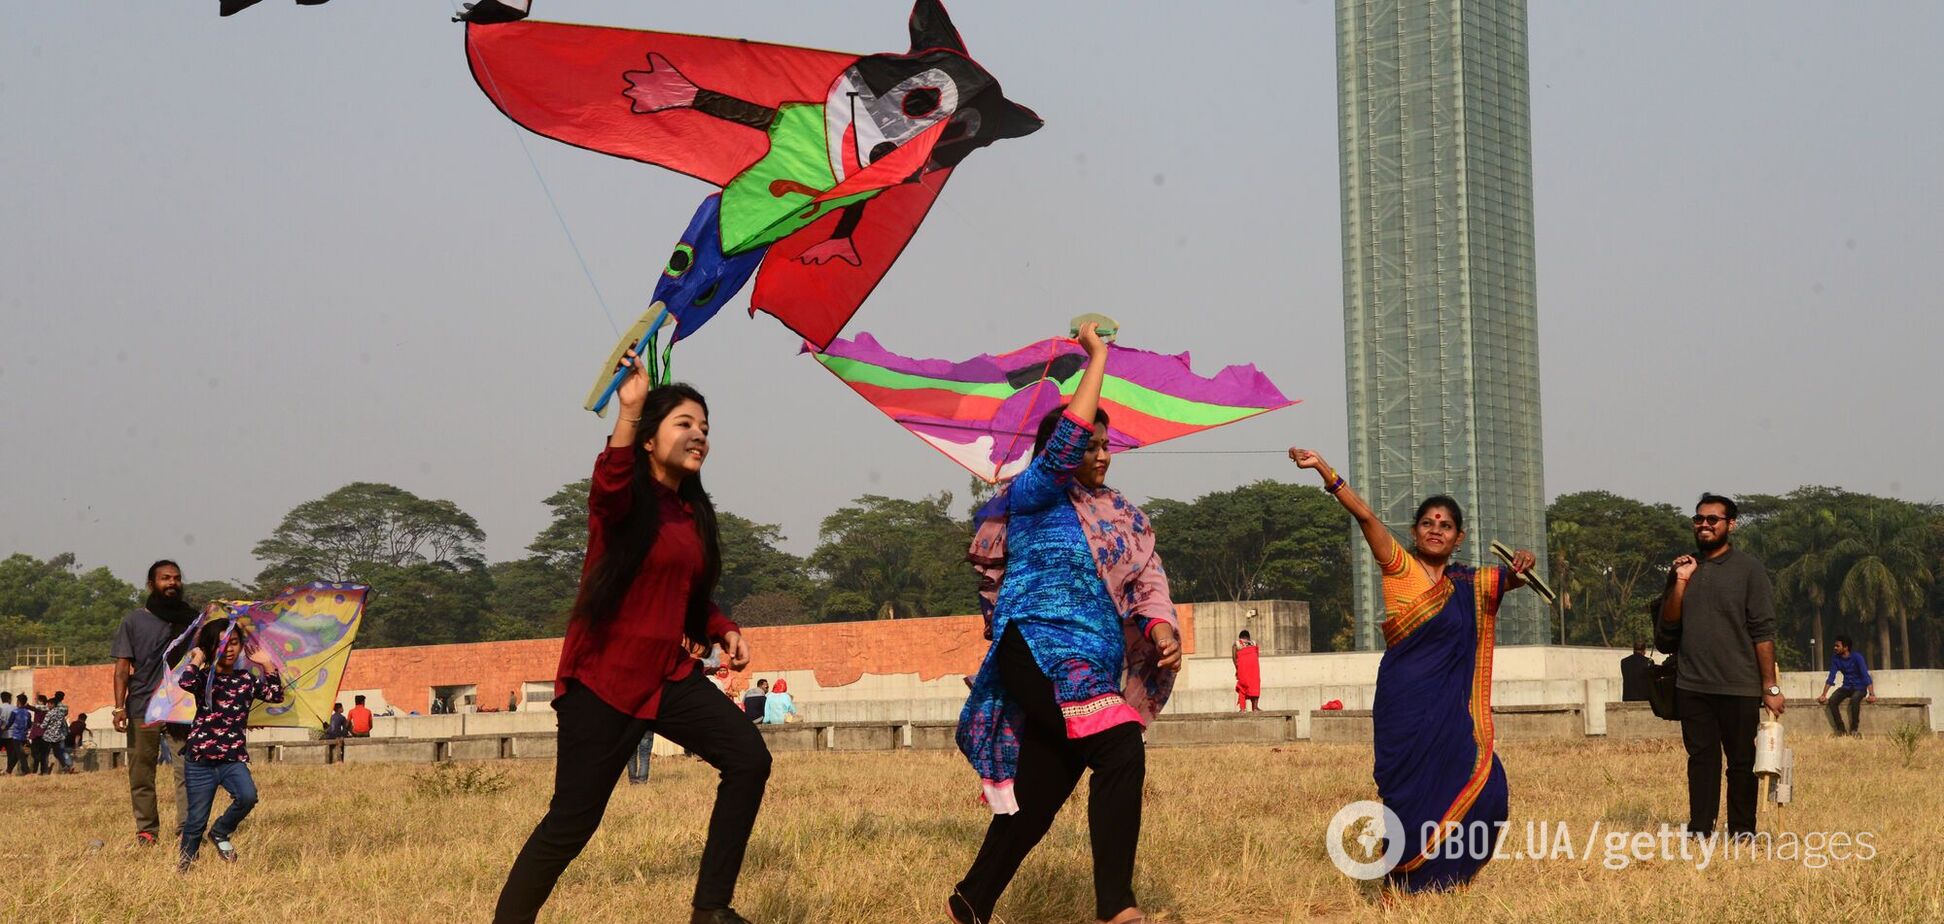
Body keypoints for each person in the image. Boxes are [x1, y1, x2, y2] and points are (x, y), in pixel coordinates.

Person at [494, 360, 769, 924]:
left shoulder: (694, 515)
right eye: (684, 424)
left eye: (706, 428)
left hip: (668, 678)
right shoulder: (623, 505)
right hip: (604, 683)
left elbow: (689, 595)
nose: (699, 435)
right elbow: (611, 480)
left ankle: (710, 909)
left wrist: (725, 628)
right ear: (649, 440)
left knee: (748, 759)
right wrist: (627, 409)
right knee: (570, 825)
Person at [951, 323, 1184, 924]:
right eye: (1089, 445)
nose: (1100, 454)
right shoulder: (1034, 493)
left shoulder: (1124, 516)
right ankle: (1116, 907)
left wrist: (1160, 628)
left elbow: (1148, 581)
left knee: (1039, 797)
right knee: (1120, 744)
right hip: (1038, 649)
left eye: (1106, 446)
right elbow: (1063, 445)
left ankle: (970, 901)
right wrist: (1097, 356)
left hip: (1096, 662)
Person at [1289, 448, 1540, 893]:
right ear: (1415, 531)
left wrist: (1523, 561)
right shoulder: (1398, 566)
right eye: (1428, 523)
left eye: (1445, 525)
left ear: (1459, 537)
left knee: (1488, 784)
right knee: (1405, 796)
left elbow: (1515, 577)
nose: (1436, 530)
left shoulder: (1471, 582)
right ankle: (1395, 883)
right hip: (1404, 705)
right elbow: (1367, 518)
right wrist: (1326, 472)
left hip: (1450, 711)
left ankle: (1449, 878)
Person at [1657, 493, 1782, 841]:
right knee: (1702, 762)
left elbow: (1763, 631)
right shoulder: (1684, 568)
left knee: (1742, 764)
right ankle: (1700, 831)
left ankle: (1742, 831)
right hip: (1693, 685)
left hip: (1739, 686)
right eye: (1699, 519)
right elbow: (1667, 629)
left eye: (1713, 519)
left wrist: (1769, 686)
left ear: (1731, 524)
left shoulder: (1749, 570)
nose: (1705, 525)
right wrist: (1680, 580)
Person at [175, 618, 283, 871]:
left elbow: (275, 695)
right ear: (210, 649)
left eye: (233, 642)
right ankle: (186, 865)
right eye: (220, 644)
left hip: (232, 758)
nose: (229, 649)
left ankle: (221, 832)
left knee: (247, 797)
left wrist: (267, 663)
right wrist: (198, 657)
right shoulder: (203, 679)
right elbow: (186, 682)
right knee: (196, 820)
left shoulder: (246, 679)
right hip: (200, 760)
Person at [111, 560, 199, 845]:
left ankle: (187, 828)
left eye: (176, 578)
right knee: (141, 772)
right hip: (142, 706)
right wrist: (118, 707)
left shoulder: (194, 621)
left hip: (182, 706)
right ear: (152, 584)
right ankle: (147, 830)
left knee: (187, 769)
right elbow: (122, 668)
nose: (171, 583)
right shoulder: (134, 621)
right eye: (165, 578)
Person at [1818, 635, 1875, 736]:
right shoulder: (1836, 659)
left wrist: (1871, 694)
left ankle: (1854, 729)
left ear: (1845, 647)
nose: (1835, 648)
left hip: (1860, 687)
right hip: (1846, 687)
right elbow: (1831, 677)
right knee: (1832, 700)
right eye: (1835, 645)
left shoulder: (1857, 657)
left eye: (1837, 646)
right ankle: (1841, 729)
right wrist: (1824, 694)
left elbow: (1865, 675)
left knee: (1855, 699)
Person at [42, 692, 71, 774]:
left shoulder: (51, 709)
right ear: (63, 698)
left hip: (50, 734)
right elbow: (65, 715)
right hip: (61, 732)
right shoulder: (64, 707)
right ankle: (66, 766)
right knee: (60, 751)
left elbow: (45, 721)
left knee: (47, 752)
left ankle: (46, 769)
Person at [1233, 630, 1262, 712]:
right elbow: (1257, 656)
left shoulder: (1237, 644)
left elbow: (1234, 658)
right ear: (1249, 638)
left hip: (1243, 668)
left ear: (1240, 637)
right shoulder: (1254, 643)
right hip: (1254, 669)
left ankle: (1242, 708)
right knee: (1255, 686)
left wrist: (1237, 669)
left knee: (1242, 686)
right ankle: (1255, 707)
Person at [6, 693, 33, 776]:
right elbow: (29, 725)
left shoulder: (14, 712)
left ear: (18, 702)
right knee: (16, 754)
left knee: (20, 754)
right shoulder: (28, 713)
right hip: (23, 736)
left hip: (16, 736)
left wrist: (4, 728)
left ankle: (27, 772)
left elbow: (10, 723)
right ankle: (8, 771)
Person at [0, 693, 13, 774]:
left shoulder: (0, 708)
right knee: (10, 755)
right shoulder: (14, 708)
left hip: (1, 734)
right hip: (11, 735)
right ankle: (8, 771)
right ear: (9, 699)